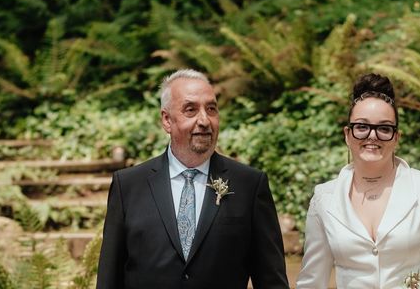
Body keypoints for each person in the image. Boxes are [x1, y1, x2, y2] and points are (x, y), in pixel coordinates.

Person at [96, 69, 289, 289]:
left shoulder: (249, 185)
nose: (205, 120)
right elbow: (109, 277)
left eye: (211, 109)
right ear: (167, 120)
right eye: (191, 110)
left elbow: (272, 280)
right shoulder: (128, 185)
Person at [296, 73, 420, 288]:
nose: (372, 136)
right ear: (347, 135)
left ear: (396, 137)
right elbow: (312, 281)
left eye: (384, 128)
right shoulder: (324, 198)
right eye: (362, 127)